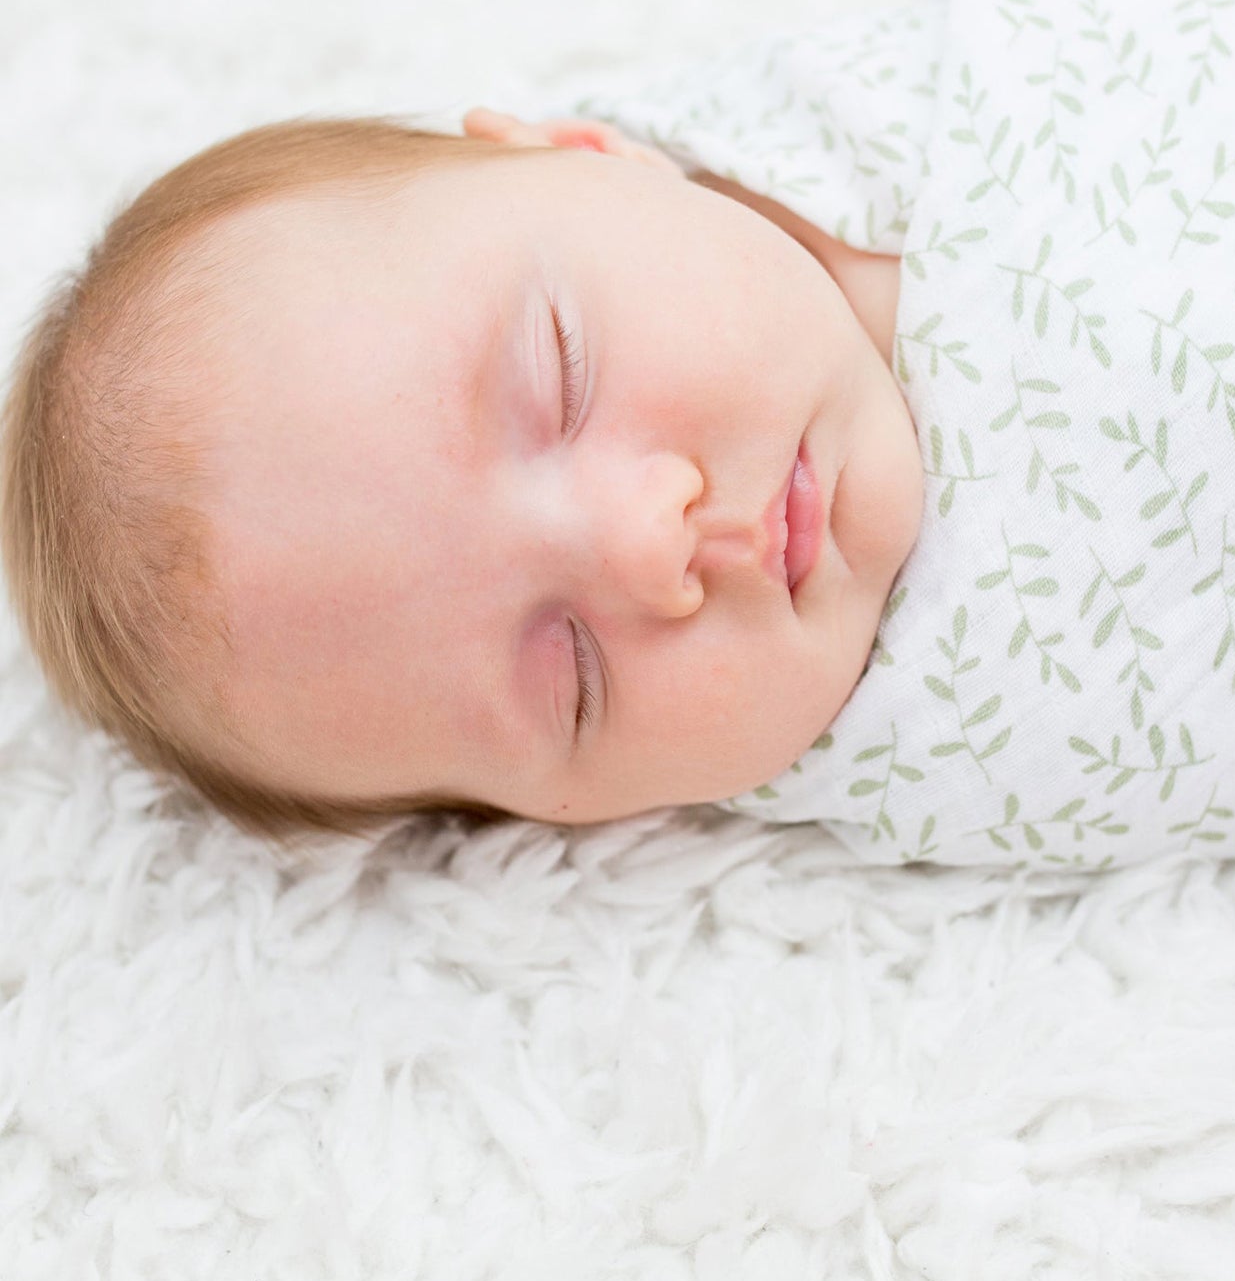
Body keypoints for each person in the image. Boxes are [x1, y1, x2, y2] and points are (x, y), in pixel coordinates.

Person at [0, 105, 925, 842]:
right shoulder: (916, 776)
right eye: (577, 680)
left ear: (589, 156)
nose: (651, 541)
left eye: (564, 376)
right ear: (567, 818)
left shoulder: (910, 113)